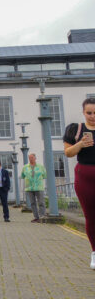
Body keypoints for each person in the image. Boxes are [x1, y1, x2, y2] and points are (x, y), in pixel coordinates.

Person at [63, 97, 95, 270]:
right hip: (85, 177)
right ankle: (94, 252)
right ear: (83, 112)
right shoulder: (76, 129)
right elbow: (68, 153)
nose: (92, 116)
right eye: (89, 113)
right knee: (90, 217)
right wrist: (81, 144)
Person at [20, 153, 46, 223]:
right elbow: (22, 176)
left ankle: (42, 216)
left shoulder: (41, 167)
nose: (30, 159)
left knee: (41, 202)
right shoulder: (25, 167)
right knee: (32, 203)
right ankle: (36, 217)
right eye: (29, 158)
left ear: (35, 158)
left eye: (32, 157)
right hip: (29, 188)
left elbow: (44, 175)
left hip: (39, 187)